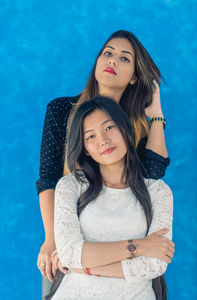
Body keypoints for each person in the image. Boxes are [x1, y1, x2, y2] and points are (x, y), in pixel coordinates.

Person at [36, 30, 170, 287]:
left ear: (134, 77)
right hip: (71, 239)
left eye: (124, 58)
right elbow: (48, 179)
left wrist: (156, 115)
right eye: (107, 53)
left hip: (125, 244)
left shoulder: (138, 126)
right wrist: (52, 239)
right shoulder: (62, 110)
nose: (112, 61)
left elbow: (153, 172)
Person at [49, 96, 174, 300]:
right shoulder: (70, 186)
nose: (103, 140)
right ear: (85, 149)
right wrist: (139, 246)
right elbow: (70, 254)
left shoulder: (158, 191)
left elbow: (155, 264)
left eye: (109, 127)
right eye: (90, 137)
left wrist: (85, 267)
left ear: (125, 129)